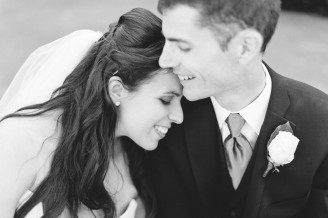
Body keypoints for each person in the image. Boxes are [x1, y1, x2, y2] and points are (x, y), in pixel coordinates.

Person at [148, 0, 328, 217]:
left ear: (245, 47)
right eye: (166, 40)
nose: (164, 60)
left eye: (183, 46)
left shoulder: (320, 122)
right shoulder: (165, 120)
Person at [0, 8, 183, 218]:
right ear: (117, 89)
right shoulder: (21, 142)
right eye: (166, 100)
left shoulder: (138, 156)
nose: (179, 116)